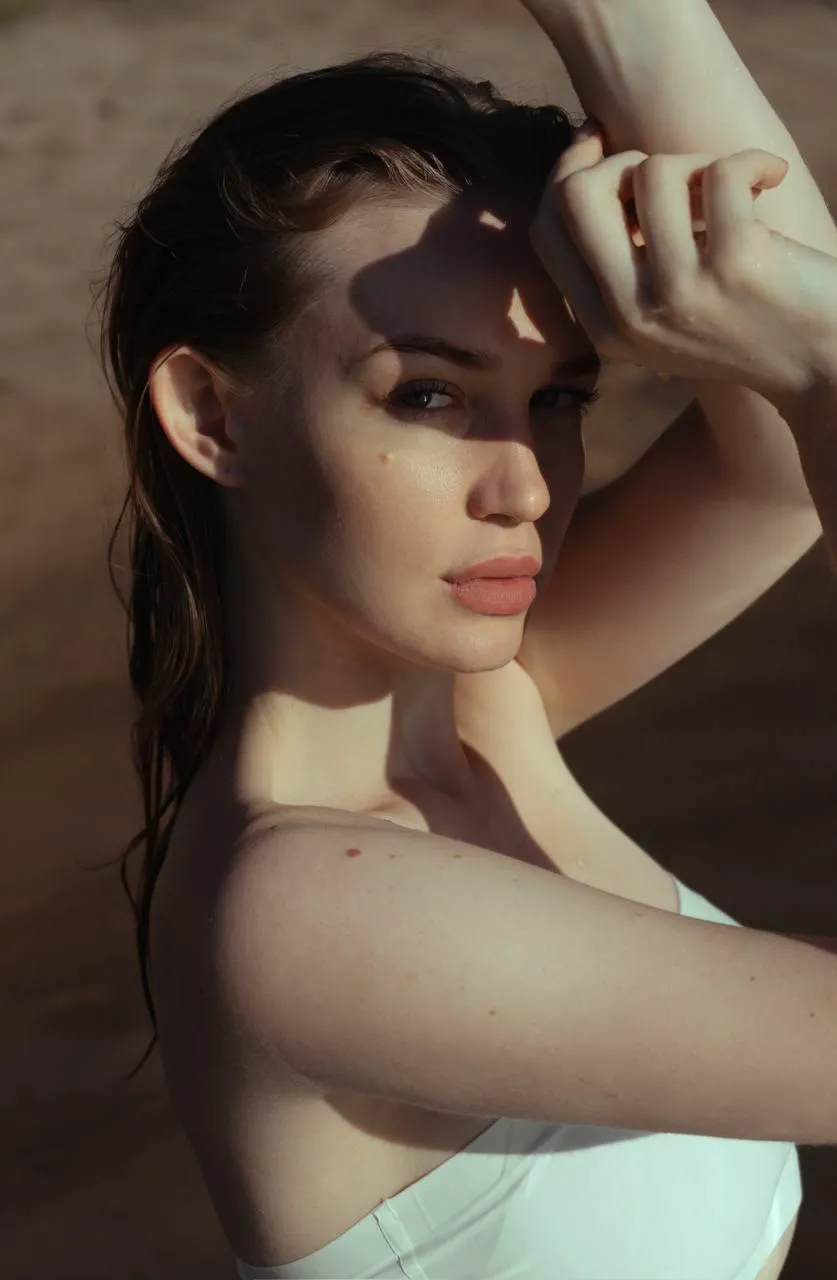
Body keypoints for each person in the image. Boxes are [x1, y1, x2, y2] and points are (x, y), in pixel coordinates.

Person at [96, 1, 837, 1275]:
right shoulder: (306, 913)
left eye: (555, 399)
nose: (526, 488)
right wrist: (823, 358)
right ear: (212, 413)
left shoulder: (482, 711)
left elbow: (778, 474)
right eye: (429, 393)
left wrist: (627, 18)